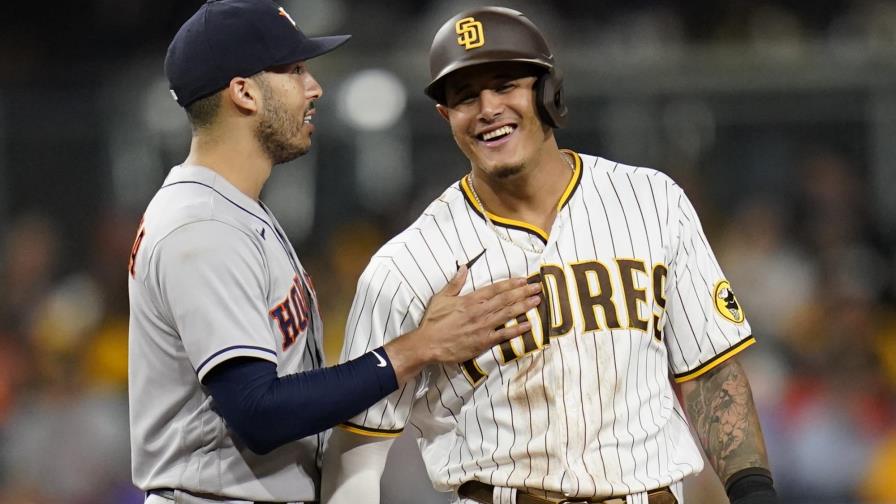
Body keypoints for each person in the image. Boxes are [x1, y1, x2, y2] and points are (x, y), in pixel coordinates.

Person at [321, 6, 778, 504]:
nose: (488, 108)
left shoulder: (652, 201)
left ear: (548, 89)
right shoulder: (406, 265)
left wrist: (754, 493)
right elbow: (357, 453)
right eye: (465, 96)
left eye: (505, 84)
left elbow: (711, 374)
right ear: (446, 116)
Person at [127, 1, 543, 503]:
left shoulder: (228, 209)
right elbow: (259, 412)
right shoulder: (203, 226)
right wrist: (420, 346)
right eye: (295, 70)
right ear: (244, 92)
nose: (313, 87)